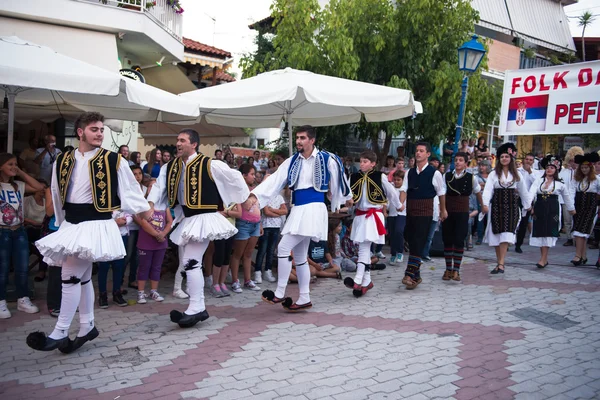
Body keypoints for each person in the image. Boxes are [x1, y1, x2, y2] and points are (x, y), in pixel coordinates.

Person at [28, 112, 150, 352]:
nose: (100, 134)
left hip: (95, 224)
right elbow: (56, 191)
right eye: (95, 129)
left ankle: (60, 331)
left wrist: (147, 219)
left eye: (102, 130)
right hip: (73, 223)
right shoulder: (62, 160)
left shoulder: (114, 160)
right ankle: (87, 325)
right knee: (82, 279)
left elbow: (132, 191)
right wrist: (63, 224)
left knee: (70, 276)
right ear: (80, 132)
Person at [148, 129, 249, 328]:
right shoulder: (172, 166)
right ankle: (197, 307)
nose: (178, 143)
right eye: (177, 140)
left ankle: (196, 307)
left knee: (191, 261)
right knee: (190, 262)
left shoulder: (210, 164)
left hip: (205, 217)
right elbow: (160, 186)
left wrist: (244, 199)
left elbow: (234, 178)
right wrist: (151, 204)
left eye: (182, 140)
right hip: (189, 218)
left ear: (193, 144)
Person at [249, 125, 351, 311]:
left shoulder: (326, 158)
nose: (298, 141)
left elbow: (339, 181)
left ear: (312, 140)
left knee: (283, 247)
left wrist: (341, 199)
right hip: (298, 209)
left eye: (303, 138)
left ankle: (280, 292)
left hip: (313, 208)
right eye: (297, 138)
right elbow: (275, 179)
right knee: (300, 256)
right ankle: (304, 297)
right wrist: (255, 196)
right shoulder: (292, 161)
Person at [343, 150, 399, 297]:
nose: (362, 164)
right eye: (361, 161)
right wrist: (346, 202)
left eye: (365, 161)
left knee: (363, 248)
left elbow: (391, 192)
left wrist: (398, 205)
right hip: (360, 216)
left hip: (373, 216)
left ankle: (357, 279)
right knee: (365, 249)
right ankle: (367, 282)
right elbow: (348, 194)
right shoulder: (353, 177)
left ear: (373, 164)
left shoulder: (380, 176)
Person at [0, 153, 45, 319]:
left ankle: (23, 299)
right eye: (10, 164)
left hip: (19, 230)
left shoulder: (18, 185)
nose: (13, 167)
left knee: (22, 267)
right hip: (2, 230)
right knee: (3, 269)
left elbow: (40, 187)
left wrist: (21, 172)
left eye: (15, 164)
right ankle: (1, 301)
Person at [399, 142, 447, 289]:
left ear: (427, 154)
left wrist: (443, 210)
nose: (418, 153)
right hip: (411, 210)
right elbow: (404, 189)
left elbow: (441, 193)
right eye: (416, 151)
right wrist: (400, 204)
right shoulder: (409, 172)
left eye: (421, 151)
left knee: (419, 241)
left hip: (426, 211)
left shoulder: (435, 173)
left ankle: (408, 273)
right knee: (410, 238)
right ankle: (416, 277)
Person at [481, 143, 529, 274]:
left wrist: (527, 205)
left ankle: (501, 264)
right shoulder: (493, 174)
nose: (504, 159)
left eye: (506, 156)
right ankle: (499, 263)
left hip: (512, 207)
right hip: (497, 207)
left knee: (507, 235)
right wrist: (485, 204)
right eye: (501, 156)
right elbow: (488, 190)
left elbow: (524, 191)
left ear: (511, 158)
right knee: (497, 236)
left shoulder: (517, 174)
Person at [524, 155, 575, 269]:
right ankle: (543, 259)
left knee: (549, 233)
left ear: (556, 169)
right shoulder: (539, 181)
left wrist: (571, 209)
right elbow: (531, 192)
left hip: (552, 210)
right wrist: (528, 205)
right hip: (540, 208)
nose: (549, 169)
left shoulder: (560, 183)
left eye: (552, 167)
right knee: (541, 232)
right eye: (548, 167)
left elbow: (567, 197)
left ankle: (543, 259)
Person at [441, 152, 482, 282]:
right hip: (448, 211)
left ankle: (456, 270)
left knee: (459, 240)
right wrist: (442, 210)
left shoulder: (471, 178)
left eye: (460, 160)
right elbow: (441, 193)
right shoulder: (446, 176)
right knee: (447, 239)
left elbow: (477, 192)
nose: (457, 162)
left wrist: (482, 205)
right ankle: (448, 269)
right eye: (456, 160)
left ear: (465, 163)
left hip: (462, 212)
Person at [229, 164, 262, 293]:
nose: (254, 177)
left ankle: (248, 280)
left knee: (248, 254)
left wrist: (260, 224)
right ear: (243, 175)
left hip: (255, 224)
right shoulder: (239, 190)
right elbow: (245, 205)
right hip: (243, 224)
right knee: (238, 254)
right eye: (252, 174)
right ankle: (235, 281)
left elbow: (258, 208)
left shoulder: (255, 189)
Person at [134, 200, 172, 304]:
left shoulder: (164, 204)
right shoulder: (144, 204)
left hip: (161, 243)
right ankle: (140, 292)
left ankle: (154, 291)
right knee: (144, 267)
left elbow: (169, 221)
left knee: (157, 267)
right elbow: (142, 221)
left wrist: (163, 233)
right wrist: (157, 234)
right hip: (146, 243)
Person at [569, 152, 600, 266]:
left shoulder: (596, 179)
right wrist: (571, 206)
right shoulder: (576, 179)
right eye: (582, 167)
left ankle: (578, 256)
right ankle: (582, 255)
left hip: (590, 207)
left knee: (582, 232)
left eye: (586, 167)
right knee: (578, 231)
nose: (584, 170)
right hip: (578, 206)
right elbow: (571, 192)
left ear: (590, 168)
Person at [97, 210, 132, 308]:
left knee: (119, 266)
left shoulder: (123, 199)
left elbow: (131, 214)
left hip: (121, 236)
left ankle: (117, 293)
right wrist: (114, 222)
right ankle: (102, 295)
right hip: (105, 237)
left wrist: (125, 221)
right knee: (104, 266)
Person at [254, 189, 287, 284]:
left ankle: (268, 271)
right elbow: (266, 212)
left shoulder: (279, 197)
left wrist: (272, 209)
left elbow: (285, 211)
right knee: (262, 250)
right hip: (266, 226)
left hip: (276, 227)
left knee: (271, 250)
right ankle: (257, 272)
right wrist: (278, 213)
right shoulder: (265, 197)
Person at [210, 203, 240, 298]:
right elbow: (214, 212)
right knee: (219, 255)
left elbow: (239, 214)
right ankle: (215, 284)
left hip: (230, 229)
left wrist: (226, 212)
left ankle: (222, 283)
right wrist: (231, 212)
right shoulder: (219, 197)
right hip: (219, 229)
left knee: (227, 256)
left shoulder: (235, 198)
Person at [515, 153, 541, 253]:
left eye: (530, 160)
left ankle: (518, 244)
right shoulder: (517, 171)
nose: (528, 161)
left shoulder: (536, 173)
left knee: (524, 222)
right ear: (523, 160)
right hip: (516, 198)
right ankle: (508, 241)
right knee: (514, 220)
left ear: (533, 162)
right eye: (527, 159)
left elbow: (536, 184)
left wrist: (529, 171)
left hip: (528, 200)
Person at [560, 147, 584, 247]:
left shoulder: (581, 172)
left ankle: (577, 238)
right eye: (571, 161)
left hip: (578, 199)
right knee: (567, 220)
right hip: (566, 200)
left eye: (575, 161)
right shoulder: (564, 172)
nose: (573, 163)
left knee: (578, 219)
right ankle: (569, 238)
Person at [387, 169, 406, 264]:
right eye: (395, 179)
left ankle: (400, 252)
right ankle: (393, 254)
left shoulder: (405, 189)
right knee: (392, 234)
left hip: (402, 214)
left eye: (399, 180)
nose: (396, 182)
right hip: (391, 214)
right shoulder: (391, 188)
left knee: (399, 231)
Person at [475, 160, 492, 245]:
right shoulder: (476, 177)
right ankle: (480, 237)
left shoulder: (492, 176)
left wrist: (483, 186)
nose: (481, 167)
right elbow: (475, 187)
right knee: (480, 218)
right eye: (480, 165)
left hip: (490, 199)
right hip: (480, 198)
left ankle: (490, 237)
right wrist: (480, 186)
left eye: (484, 166)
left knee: (490, 218)